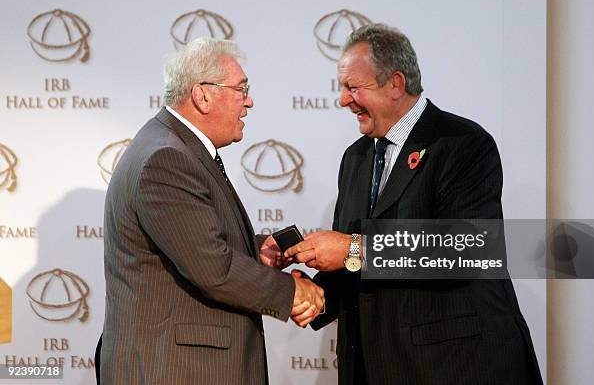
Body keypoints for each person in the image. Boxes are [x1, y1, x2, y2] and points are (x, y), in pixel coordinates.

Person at [285, 24, 543, 384]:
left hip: (455, 366)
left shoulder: (462, 143)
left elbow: (466, 248)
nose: (343, 100)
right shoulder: (356, 158)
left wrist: (351, 248)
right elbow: (357, 262)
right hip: (378, 366)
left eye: (353, 87)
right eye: (342, 88)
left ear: (395, 83)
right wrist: (312, 293)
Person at [99, 38, 324, 384]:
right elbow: (212, 268)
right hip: (178, 371)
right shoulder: (167, 158)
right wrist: (292, 293)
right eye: (241, 89)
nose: (249, 102)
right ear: (202, 95)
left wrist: (255, 249)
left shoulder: (171, 146)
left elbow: (193, 238)